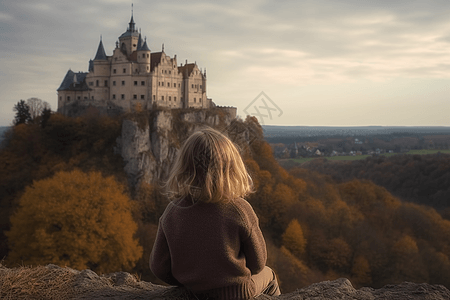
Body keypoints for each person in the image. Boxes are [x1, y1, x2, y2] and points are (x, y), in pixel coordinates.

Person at [150, 127, 281, 299]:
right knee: (269, 274)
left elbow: (158, 267)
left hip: (192, 293)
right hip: (237, 294)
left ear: (184, 167)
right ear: (231, 168)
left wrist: (188, 282)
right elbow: (258, 264)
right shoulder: (240, 209)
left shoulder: (173, 211)